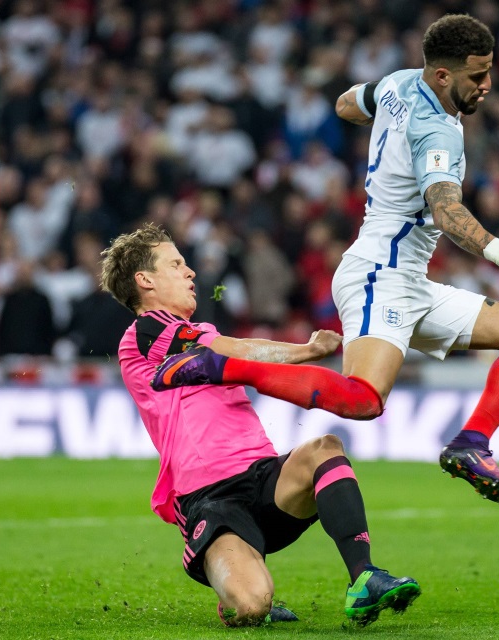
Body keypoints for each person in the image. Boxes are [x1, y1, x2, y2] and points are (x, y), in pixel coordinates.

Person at [100, 224, 420, 627]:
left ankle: (364, 578)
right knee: (252, 606)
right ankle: (236, 585)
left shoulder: (201, 332)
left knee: (325, 448)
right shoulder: (144, 334)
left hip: (264, 480)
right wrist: (307, 350)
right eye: (176, 264)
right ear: (144, 280)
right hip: (211, 499)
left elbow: (230, 352)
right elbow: (233, 352)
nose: (191, 272)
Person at [329, 13, 499, 503]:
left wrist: (383, 124)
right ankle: (225, 365)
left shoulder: (396, 81)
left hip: (411, 281)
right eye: (477, 76)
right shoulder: (439, 131)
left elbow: (347, 104)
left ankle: (471, 445)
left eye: (489, 71)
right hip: (379, 273)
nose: (488, 85)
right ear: (442, 75)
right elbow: (445, 208)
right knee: (362, 401)